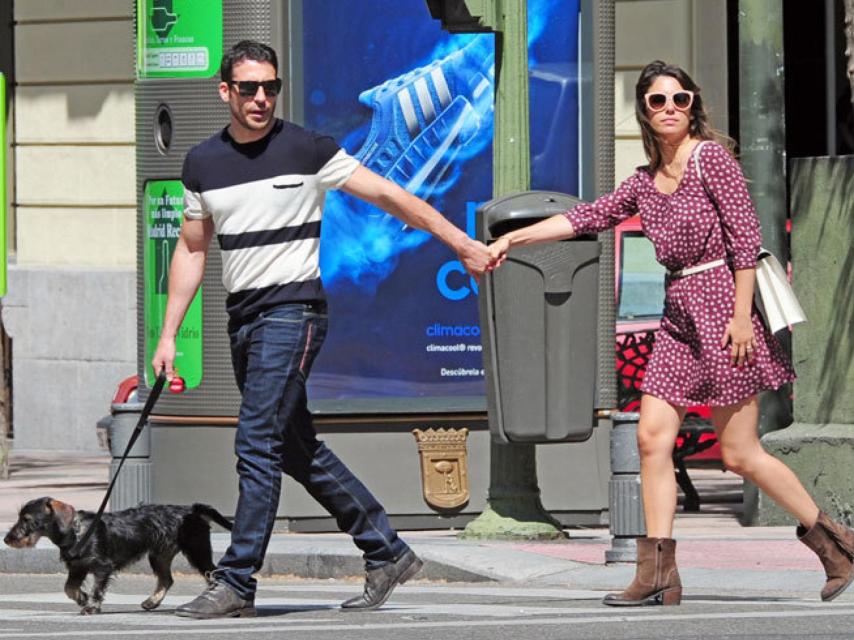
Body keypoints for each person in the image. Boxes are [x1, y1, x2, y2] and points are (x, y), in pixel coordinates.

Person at [488, 60, 854, 607]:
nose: (670, 109)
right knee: (651, 439)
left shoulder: (712, 160)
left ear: (692, 105)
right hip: (679, 314)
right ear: (644, 110)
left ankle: (835, 543)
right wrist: (511, 240)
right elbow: (588, 217)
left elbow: (745, 237)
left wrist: (741, 315)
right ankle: (658, 573)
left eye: (679, 99)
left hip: (722, 308)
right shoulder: (643, 181)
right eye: (657, 101)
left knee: (740, 453)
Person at [151, 40, 494, 619]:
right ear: (225, 91)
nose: (261, 98)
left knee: (256, 441)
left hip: (295, 313)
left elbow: (390, 195)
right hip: (244, 318)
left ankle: (236, 581)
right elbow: (191, 249)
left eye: (271, 87)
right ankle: (386, 550)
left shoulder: (307, 149)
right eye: (249, 88)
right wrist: (167, 337)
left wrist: (459, 242)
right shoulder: (202, 163)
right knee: (293, 447)